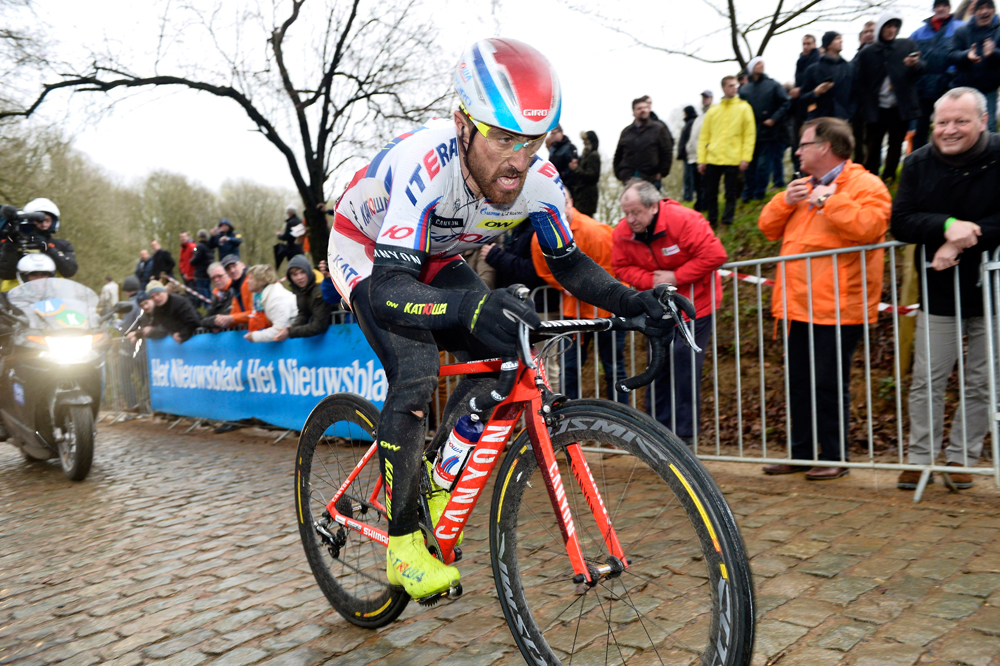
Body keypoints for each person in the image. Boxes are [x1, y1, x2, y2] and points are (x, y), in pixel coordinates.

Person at [326, 38, 676, 601]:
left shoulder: (540, 181)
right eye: (503, 138)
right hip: (368, 254)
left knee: (505, 356)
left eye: (533, 140)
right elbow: (390, 289)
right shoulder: (426, 166)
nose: (518, 159)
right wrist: (469, 306)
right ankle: (403, 546)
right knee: (416, 369)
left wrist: (635, 302)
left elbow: (568, 263)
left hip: (435, 255)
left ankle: (436, 474)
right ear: (463, 125)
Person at [758, 118, 891, 479]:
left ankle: (834, 456)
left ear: (824, 147)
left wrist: (830, 200)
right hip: (798, 304)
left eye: (803, 144)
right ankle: (801, 453)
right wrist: (785, 201)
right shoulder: (801, 187)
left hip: (838, 306)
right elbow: (767, 227)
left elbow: (871, 227)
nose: (797, 151)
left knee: (828, 384)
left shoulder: (866, 184)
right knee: (799, 384)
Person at [890, 87, 1000, 490]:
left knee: (984, 380)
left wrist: (962, 239)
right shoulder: (917, 162)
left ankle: (962, 458)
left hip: (993, 290)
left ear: (983, 121)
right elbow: (901, 221)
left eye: (960, 121)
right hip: (938, 292)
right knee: (927, 380)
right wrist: (946, 226)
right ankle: (920, 458)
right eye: (942, 122)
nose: (949, 130)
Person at [612, 180, 726, 443]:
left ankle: (685, 436)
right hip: (659, 311)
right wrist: (651, 280)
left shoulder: (684, 220)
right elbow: (621, 267)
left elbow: (715, 255)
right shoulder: (621, 233)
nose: (630, 219)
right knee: (657, 365)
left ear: (653, 206)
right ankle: (657, 433)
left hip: (696, 305)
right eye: (626, 213)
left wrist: (676, 276)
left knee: (685, 361)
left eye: (636, 212)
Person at [531, 191, 627, 403]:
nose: (560, 209)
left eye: (563, 203)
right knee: (569, 368)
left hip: (608, 310)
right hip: (572, 312)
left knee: (613, 367)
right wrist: (564, 284)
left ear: (571, 203)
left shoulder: (596, 231)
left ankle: (623, 416)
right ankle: (569, 417)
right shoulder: (540, 237)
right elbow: (544, 270)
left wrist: (583, 286)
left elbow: (613, 269)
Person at [854, 12, 925, 181]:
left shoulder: (906, 45)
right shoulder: (867, 53)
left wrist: (915, 64)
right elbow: (859, 81)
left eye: (894, 27)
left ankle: (890, 176)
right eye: (888, 26)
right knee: (873, 144)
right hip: (876, 107)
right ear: (880, 28)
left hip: (899, 106)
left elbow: (922, 69)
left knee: (896, 142)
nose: (891, 30)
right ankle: (871, 178)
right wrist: (865, 104)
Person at [698, 76, 756, 227]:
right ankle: (712, 221)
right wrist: (701, 160)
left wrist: (746, 158)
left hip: (733, 158)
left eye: (735, 85)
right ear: (723, 88)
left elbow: (749, 135)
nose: (734, 88)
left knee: (731, 192)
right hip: (713, 157)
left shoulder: (744, 108)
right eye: (730, 85)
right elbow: (704, 136)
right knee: (711, 192)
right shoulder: (713, 111)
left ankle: (727, 220)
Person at [911, 0, 964, 149]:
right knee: (920, 129)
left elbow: (963, 52)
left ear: (949, 8)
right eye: (938, 6)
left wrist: (952, 74)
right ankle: (918, 160)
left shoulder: (959, 28)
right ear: (934, 9)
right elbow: (909, 55)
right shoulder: (918, 33)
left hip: (949, 87)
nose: (941, 9)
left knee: (949, 126)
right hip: (923, 89)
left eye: (944, 6)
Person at [740, 57, 791, 201]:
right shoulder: (744, 90)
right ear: (751, 68)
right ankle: (749, 192)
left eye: (762, 63)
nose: (761, 65)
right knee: (750, 164)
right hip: (749, 133)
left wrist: (774, 118)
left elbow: (785, 103)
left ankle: (759, 193)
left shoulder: (773, 85)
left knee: (763, 164)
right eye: (757, 63)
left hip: (769, 132)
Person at [0, 198, 77, 291]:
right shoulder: (13, 243)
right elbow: (6, 274)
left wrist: (47, 248)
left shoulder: (62, 245)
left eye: (47, 221)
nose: (43, 224)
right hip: (15, 296)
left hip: (53, 297)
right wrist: (11, 243)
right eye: (39, 221)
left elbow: (69, 271)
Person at [948, 0, 1000, 132]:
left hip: (989, 89)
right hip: (964, 88)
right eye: (980, 8)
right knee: (962, 125)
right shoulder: (961, 31)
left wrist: (994, 53)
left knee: (988, 127)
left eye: (988, 8)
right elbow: (950, 55)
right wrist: (966, 56)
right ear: (974, 12)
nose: (984, 11)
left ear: (993, 11)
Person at [613, 95, 674, 190]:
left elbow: (667, 151)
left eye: (645, 108)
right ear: (633, 111)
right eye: (639, 108)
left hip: (651, 178)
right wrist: (619, 173)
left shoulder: (659, 129)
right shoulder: (626, 132)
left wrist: (662, 173)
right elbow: (618, 154)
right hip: (629, 178)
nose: (643, 110)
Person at [272, 255, 332, 340]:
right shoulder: (300, 291)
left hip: (335, 334)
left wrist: (290, 332)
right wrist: (292, 327)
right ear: (290, 277)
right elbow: (303, 314)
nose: (299, 277)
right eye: (294, 274)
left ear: (308, 272)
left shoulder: (319, 291)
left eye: (303, 272)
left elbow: (319, 325)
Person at [800, 32, 854, 121]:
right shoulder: (812, 69)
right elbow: (803, 98)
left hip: (843, 119)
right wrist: (815, 92)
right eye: (837, 39)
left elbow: (855, 94)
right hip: (820, 119)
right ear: (828, 44)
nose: (841, 41)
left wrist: (850, 114)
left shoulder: (849, 68)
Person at [790, 34, 822, 171]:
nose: (806, 47)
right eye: (804, 44)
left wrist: (801, 90)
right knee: (796, 142)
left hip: (813, 106)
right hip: (799, 106)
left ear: (814, 44)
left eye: (808, 43)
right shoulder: (800, 61)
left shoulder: (818, 61)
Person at [242, 265, 297, 342]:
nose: (247, 281)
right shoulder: (260, 296)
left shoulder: (276, 298)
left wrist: (255, 336)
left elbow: (279, 331)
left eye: (251, 278)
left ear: (262, 280)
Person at [136, 280, 200, 343]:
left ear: (164, 292)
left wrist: (182, 335)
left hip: (195, 338)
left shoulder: (179, 302)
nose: (156, 298)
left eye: (158, 294)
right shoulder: (156, 310)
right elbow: (156, 326)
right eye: (152, 297)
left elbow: (193, 321)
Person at [852, 21, 878, 165]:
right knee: (858, 140)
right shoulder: (857, 56)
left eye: (871, 31)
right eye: (865, 32)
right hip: (859, 105)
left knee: (873, 141)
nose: (868, 35)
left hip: (878, 104)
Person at [686, 90, 714, 212]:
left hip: (706, 156)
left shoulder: (713, 114)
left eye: (707, 97)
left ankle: (705, 205)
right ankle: (700, 204)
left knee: (705, 183)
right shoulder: (699, 117)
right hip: (694, 156)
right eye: (703, 97)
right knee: (697, 184)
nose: (704, 100)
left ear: (711, 99)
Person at [211, 255, 252, 330]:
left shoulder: (251, 282)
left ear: (242, 265)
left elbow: (254, 314)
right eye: (228, 269)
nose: (232, 270)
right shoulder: (234, 288)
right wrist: (222, 323)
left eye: (234, 266)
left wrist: (231, 318)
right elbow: (234, 314)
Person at [566, 131, 600, 216]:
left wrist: (576, 169)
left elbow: (592, 176)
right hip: (581, 197)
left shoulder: (593, 156)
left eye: (586, 141)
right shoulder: (586, 156)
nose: (584, 143)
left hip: (587, 198)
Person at [199, 262, 234, 331]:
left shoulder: (235, 291)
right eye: (213, 278)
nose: (216, 280)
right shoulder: (216, 295)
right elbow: (204, 320)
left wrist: (213, 322)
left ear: (228, 274)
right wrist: (213, 323)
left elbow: (225, 317)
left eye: (219, 276)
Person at [678, 106, 700, 202]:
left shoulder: (692, 123)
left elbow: (691, 140)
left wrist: (686, 151)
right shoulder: (690, 123)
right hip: (688, 155)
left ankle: (688, 198)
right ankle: (689, 197)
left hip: (690, 156)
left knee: (689, 178)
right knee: (689, 178)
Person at [274, 205, 304, 269]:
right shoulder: (301, 221)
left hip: (292, 250)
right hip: (301, 249)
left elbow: (286, 237)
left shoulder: (290, 223)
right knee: (300, 266)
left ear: (289, 213)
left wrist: (279, 235)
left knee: (293, 266)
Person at [190, 229, 214, 299]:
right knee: (209, 288)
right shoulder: (211, 245)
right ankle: (211, 301)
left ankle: (207, 304)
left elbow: (196, 255)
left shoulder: (199, 246)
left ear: (199, 236)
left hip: (201, 272)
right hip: (209, 271)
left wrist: (191, 261)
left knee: (202, 291)